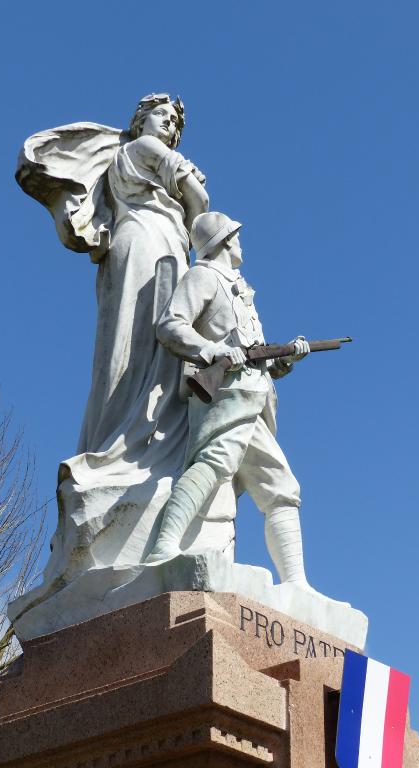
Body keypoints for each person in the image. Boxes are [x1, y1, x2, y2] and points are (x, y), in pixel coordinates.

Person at [12, 95, 211, 624]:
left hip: (149, 243)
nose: (169, 127)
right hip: (151, 244)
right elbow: (198, 197)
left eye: (175, 123)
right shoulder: (143, 148)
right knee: (144, 354)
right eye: (162, 117)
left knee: (133, 358)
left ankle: (123, 446)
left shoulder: (136, 155)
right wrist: (213, 245)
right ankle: (128, 451)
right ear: (139, 122)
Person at [146, 211, 318, 594]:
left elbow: (259, 357)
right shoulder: (204, 276)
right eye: (234, 235)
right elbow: (171, 325)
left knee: (281, 486)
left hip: (254, 395)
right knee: (214, 463)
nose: (240, 241)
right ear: (223, 240)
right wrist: (212, 350)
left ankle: (296, 583)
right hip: (225, 392)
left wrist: (287, 358)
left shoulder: (240, 285)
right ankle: (163, 547)